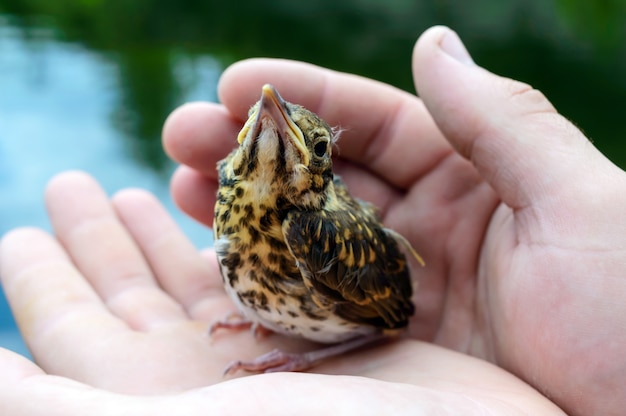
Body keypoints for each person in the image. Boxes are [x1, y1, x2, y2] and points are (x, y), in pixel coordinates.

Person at [0, 25, 623, 415]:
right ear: (236, 150)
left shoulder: (314, 229)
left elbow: (387, 320)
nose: (268, 117)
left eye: (315, 146)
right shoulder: (229, 203)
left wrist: (300, 360)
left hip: (373, 318)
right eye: (252, 127)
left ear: (321, 169)